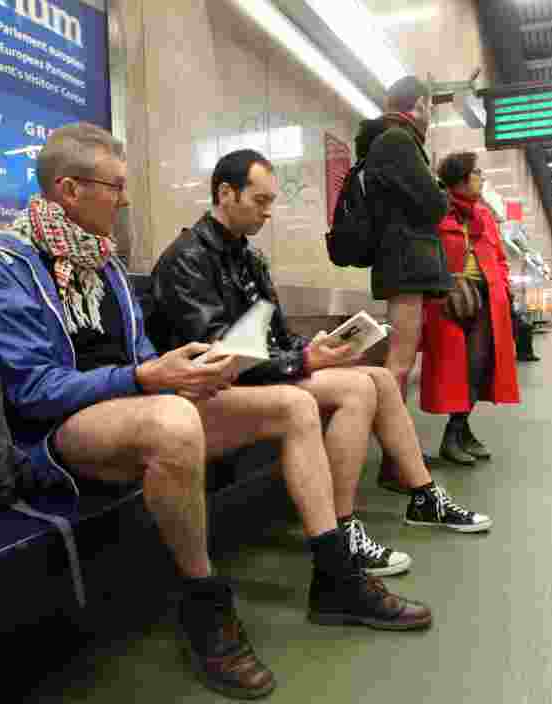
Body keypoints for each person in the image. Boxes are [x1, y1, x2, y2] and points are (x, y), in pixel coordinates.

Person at [0, 124, 432, 701]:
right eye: (114, 186)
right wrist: (144, 378)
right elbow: (31, 391)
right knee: (173, 421)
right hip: (60, 430)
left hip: (134, 400)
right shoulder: (4, 266)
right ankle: (202, 598)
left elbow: (142, 355)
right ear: (69, 189)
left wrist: (179, 371)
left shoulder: (105, 266)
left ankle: (334, 575)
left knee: (291, 405)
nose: (125, 197)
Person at [147, 149, 492, 549]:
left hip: (256, 374)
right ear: (226, 193)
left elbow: (273, 332)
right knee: (356, 389)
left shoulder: (249, 257)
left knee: (379, 377)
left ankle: (423, 495)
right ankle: (342, 527)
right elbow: (218, 354)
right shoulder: (187, 259)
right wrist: (302, 360)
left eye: (271, 202)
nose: (267, 212)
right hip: (211, 387)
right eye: (260, 201)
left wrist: (312, 347)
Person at [353, 75, 451, 472]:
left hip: (402, 262)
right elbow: (433, 203)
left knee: (401, 362)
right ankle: (395, 461)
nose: (431, 116)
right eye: (430, 107)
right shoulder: (397, 141)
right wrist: (440, 192)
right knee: (399, 364)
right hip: (405, 264)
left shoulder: (390, 141)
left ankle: (398, 455)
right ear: (421, 104)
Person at [417, 152, 520, 465]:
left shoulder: (484, 216)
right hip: (446, 299)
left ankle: (457, 431)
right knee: (453, 370)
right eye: (476, 173)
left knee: (477, 365)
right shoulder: (435, 210)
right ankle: (458, 433)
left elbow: (500, 258)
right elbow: (424, 254)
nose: (481, 178)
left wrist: (501, 284)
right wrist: (444, 282)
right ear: (460, 178)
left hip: (485, 297)